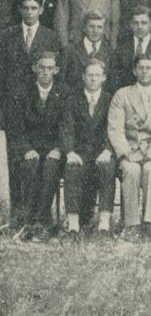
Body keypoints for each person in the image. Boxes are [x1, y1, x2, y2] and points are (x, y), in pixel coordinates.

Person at [8, 52, 67, 241]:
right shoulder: (22, 92)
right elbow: (16, 127)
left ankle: (42, 222)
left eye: (50, 68)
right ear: (35, 68)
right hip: (29, 147)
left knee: (51, 166)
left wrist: (58, 148)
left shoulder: (64, 92)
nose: (45, 72)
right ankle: (29, 221)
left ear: (56, 70)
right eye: (41, 67)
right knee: (30, 166)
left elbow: (67, 126)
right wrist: (26, 148)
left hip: (53, 148)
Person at [107, 54, 151, 240]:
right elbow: (115, 128)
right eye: (141, 67)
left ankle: (149, 223)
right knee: (130, 170)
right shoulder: (122, 94)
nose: (145, 71)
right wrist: (126, 152)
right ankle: (131, 224)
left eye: (149, 68)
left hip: (150, 150)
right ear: (134, 71)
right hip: (130, 149)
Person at [60, 58, 115, 240]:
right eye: (89, 75)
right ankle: (74, 225)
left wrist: (108, 150)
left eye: (97, 75)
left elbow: (114, 128)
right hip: (80, 152)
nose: (93, 79)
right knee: (72, 167)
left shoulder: (110, 100)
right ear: (83, 77)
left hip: (102, 152)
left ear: (104, 78)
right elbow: (67, 129)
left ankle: (104, 224)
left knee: (107, 168)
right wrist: (70, 152)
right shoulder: (72, 100)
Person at [0, 0, 59, 100]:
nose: (29, 12)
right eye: (26, 8)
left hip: (38, 95)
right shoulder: (6, 35)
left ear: (41, 10)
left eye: (33, 8)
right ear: (20, 9)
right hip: (12, 95)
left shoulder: (51, 37)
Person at [109, 6, 151, 91]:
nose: (139, 27)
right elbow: (114, 78)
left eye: (144, 23)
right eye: (136, 23)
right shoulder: (121, 49)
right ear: (131, 25)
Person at [62, 11, 114, 90]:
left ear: (104, 30)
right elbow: (62, 81)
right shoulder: (70, 50)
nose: (95, 31)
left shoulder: (111, 52)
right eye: (91, 26)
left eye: (99, 27)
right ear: (84, 28)